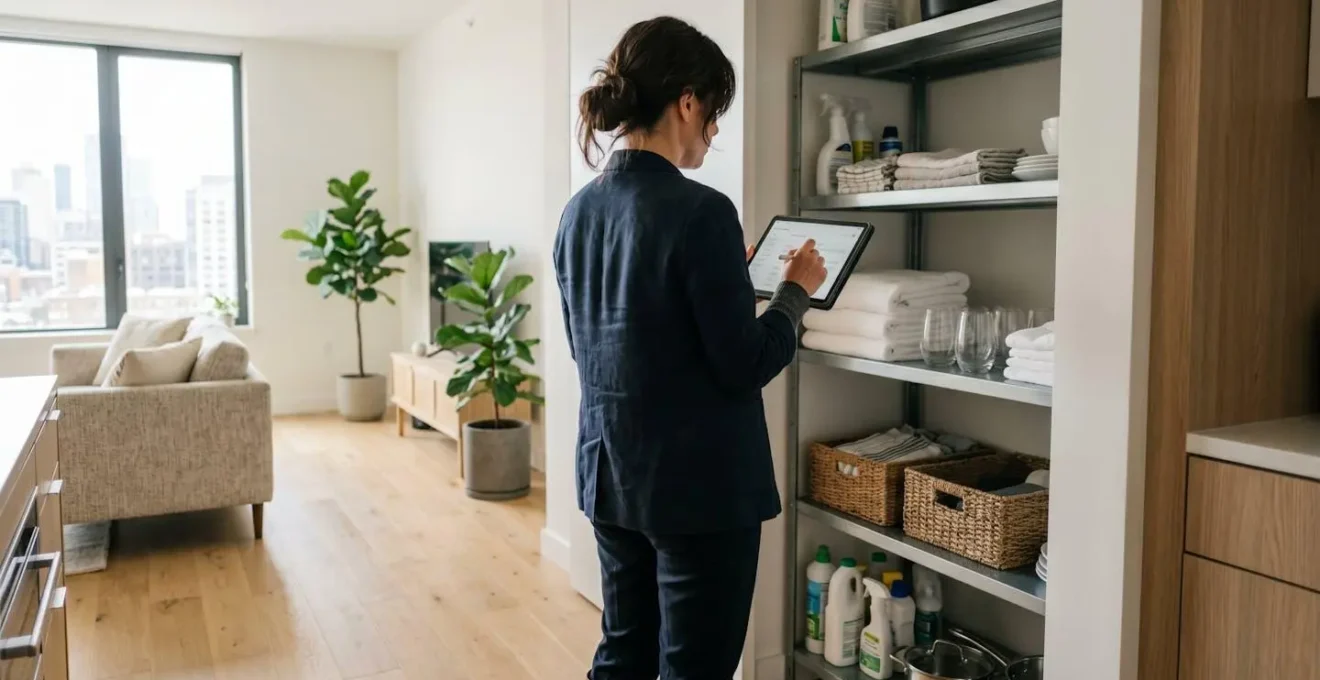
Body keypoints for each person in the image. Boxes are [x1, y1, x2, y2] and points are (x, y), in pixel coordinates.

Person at [553, 16, 828, 680]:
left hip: (608, 475)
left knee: (623, 654)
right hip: (698, 495)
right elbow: (745, 363)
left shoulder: (577, 213)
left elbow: (608, 343)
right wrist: (794, 293)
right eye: (712, 113)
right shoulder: (700, 211)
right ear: (686, 101)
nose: (713, 131)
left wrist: (732, 280)